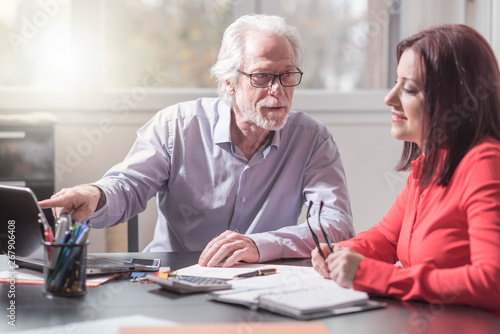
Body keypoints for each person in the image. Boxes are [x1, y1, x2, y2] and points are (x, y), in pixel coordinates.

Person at [39, 14, 354, 267]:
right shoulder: (177, 126)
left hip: (261, 281)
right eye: (262, 77)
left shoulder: (312, 139)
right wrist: (95, 194)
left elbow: (335, 225)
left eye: (287, 75)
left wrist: (259, 245)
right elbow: (129, 185)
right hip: (172, 277)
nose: (278, 90)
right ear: (230, 83)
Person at [311, 24, 500, 312]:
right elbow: (387, 237)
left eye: (409, 88)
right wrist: (340, 253)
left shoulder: (485, 163)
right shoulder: (430, 164)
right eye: (397, 83)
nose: (390, 98)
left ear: (455, 99)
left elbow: (492, 281)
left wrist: (373, 275)